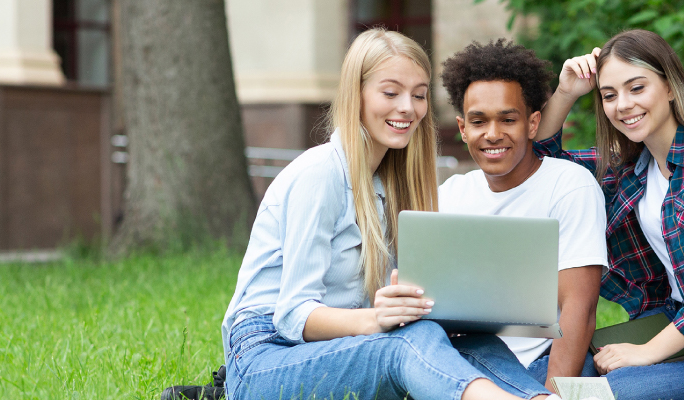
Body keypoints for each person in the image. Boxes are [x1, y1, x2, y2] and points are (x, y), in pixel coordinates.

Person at [219, 28, 555, 400]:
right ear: (356, 95)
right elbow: (294, 316)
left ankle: (541, 398)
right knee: (412, 340)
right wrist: (378, 320)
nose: (407, 108)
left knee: (472, 339)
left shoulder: (392, 183)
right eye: (390, 93)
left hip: (338, 347)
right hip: (264, 357)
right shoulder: (321, 174)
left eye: (419, 95)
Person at [534, 29, 684, 400]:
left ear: (670, 87)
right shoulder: (630, 167)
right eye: (609, 95)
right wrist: (566, 92)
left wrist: (648, 352)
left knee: (592, 395)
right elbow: (544, 161)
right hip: (668, 328)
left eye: (636, 88)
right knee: (544, 376)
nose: (622, 104)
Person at [437, 40, 608, 391]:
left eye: (507, 119)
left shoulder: (569, 184)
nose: (493, 134)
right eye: (479, 121)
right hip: (462, 357)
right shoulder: (450, 194)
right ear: (462, 128)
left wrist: (553, 391)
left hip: (537, 362)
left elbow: (580, 307)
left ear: (532, 124)